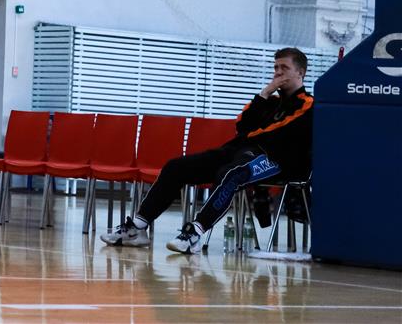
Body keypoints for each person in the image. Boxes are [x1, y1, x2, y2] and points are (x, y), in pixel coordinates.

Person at [101, 47, 314, 254]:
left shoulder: (307, 104)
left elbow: (279, 132)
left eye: (284, 68)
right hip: (240, 151)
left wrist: (250, 133)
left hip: (276, 159)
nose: (277, 73)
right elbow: (241, 125)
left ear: (300, 72)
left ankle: (194, 233)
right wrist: (265, 92)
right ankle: (137, 228)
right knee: (176, 167)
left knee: (230, 174)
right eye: (275, 67)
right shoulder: (269, 101)